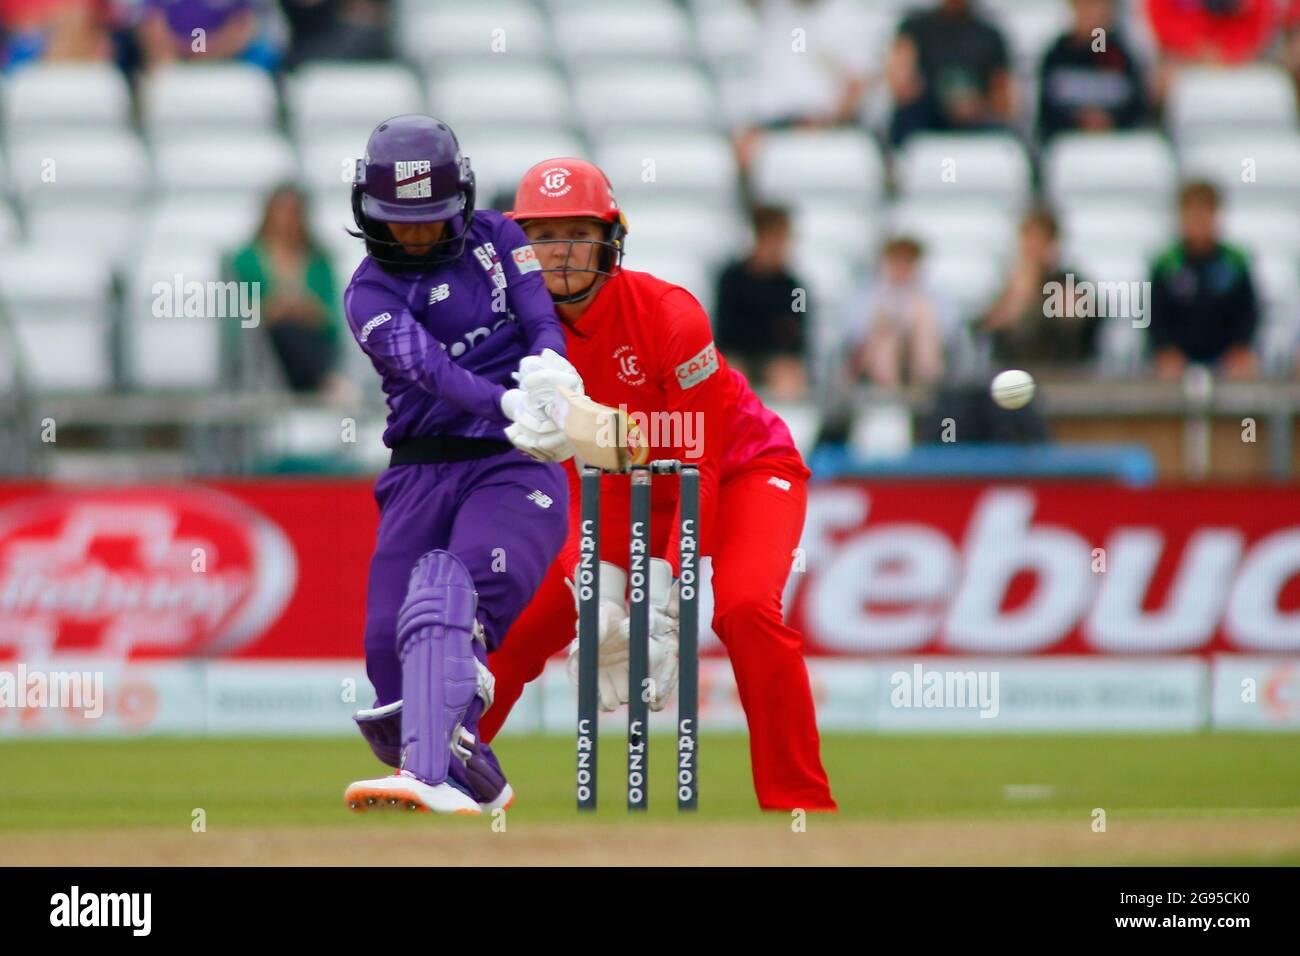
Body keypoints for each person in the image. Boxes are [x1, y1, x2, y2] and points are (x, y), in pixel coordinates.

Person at [480, 158, 837, 812]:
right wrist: (597, 594)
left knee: (744, 609)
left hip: (743, 469)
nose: (558, 254)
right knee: (511, 626)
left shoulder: (672, 316)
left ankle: (801, 808)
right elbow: (558, 480)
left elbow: (696, 462)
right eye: (541, 237)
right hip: (611, 485)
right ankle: (439, 778)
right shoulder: (515, 343)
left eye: (576, 235)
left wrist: (662, 603)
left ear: (609, 239)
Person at [340, 115, 579, 816]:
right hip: (421, 469)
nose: (415, 235)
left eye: (429, 221)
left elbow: (538, 315)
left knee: (448, 590)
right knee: (389, 666)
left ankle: (428, 777)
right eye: (399, 222)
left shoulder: (502, 238)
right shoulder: (368, 294)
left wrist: (551, 370)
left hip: (511, 465)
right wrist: (510, 400)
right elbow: (433, 372)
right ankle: (480, 781)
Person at [226, 184, 351, 397]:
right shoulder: (244, 261)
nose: (287, 220)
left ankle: (321, 381)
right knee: (285, 332)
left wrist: (307, 310)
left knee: (294, 334)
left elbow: (332, 322)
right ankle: (324, 382)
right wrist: (272, 310)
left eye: (294, 212)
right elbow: (236, 320)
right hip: (266, 349)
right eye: (281, 210)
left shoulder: (320, 260)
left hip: (312, 342)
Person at [1148, 180, 1259, 381]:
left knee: (1245, 369)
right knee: (1165, 372)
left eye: (1205, 212)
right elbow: (1154, 318)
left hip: (1226, 358)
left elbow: (1248, 314)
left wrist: (1240, 348)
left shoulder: (1235, 262)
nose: (1198, 220)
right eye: (1191, 213)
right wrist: (1165, 350)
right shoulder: (1165, 263)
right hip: (1178, 360)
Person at [980, 209, 1100, 373]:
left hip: (1060, 377)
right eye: (1027, 240)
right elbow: (987, 328)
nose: (1031, 248)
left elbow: (1073, 332)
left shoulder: (1068, 284)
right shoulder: (1012, 285)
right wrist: (1018, 296)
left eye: (1038, 241)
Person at [886, 0, 1015, 145]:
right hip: (927, 115)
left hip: (976, 119)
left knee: (1003, 134)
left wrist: (974, 107)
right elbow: (900, 86)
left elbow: (1004, 104)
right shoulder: (914, 29)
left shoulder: (991, 36)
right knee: (907, 118)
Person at [713, 205, 809, 399]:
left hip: (776, 358)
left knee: (788, 378)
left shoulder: (794, 286)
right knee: (731, 375)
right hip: (739, 355)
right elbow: (725, 330)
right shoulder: (731, 279)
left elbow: (797, 333)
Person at [843, 235, 946, 389]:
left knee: (923, 320)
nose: (902, 267)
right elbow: (854, 336)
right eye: (897, 260)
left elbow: (944, 335)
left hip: (915, 355)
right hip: (868, 360)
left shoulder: (931, 298)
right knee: (886, 337)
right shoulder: (866, 296)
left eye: (908, 261)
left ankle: (922, 386)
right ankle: (892, 391)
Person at [1038, 0, 1148, 144]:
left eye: (1096, 6)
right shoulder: (1056, 56)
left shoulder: (1120, 56)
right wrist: (1077, 120)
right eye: (1084, 6)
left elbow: (1137, 110)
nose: (1090, 14)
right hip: (1068, 145)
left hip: (1115, 145)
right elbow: (1045, 114)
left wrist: (1109, 120)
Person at [135, 0, 279, 70]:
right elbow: (151, 25)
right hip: (171, 55)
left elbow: (242, 26)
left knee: (266, 56)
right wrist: (184, 51)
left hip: (229, 56)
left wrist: (207, 52)